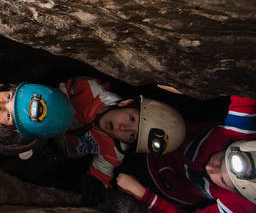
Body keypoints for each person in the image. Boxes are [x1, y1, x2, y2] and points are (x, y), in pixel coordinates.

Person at [116, 95, 256, 213]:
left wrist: (143, 194)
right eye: (221, 161)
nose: (209, 168)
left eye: (222, 180)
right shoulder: (244, 133)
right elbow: (243, 92)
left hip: (157, 182)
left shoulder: (245, 205)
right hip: (159, 131)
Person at [55, 77, 186, 205]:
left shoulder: (115, 150)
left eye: (132, 136)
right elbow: (56, 90)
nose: (123, 128)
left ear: (129, 144)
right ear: (126, 103)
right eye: (131, 119)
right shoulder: (90, 89)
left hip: (58, 145)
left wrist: (97, 180)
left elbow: (102, 169)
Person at [0, 81, 74, 160]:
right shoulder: (3, 87)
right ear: (14, 88)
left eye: (8, 115)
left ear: (14, 131)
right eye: (8, 97)